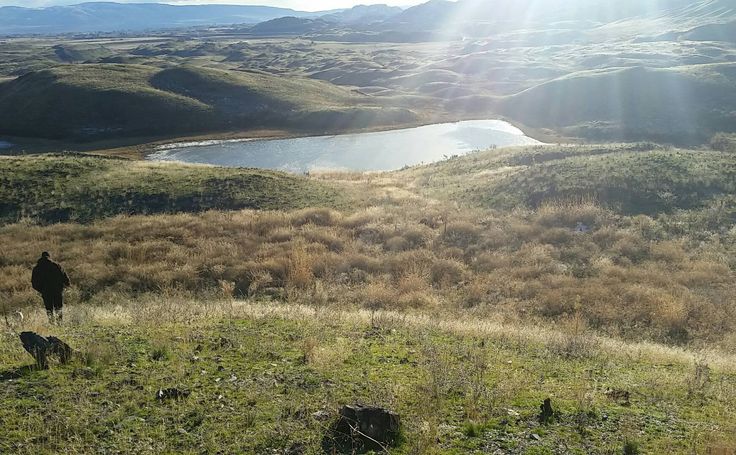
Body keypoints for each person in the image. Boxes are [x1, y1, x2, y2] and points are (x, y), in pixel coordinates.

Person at [31, 252, 70, 323]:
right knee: (58, 307)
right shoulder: (56, 265)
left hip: (45, 291)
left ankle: (51, 323)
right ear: (49, 257)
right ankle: (59, 322)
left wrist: (41, 290)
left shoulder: (37, 268)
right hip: (57, 290)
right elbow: (65, 277)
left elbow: (34, 282)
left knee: (49, 308)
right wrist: (65, 286)